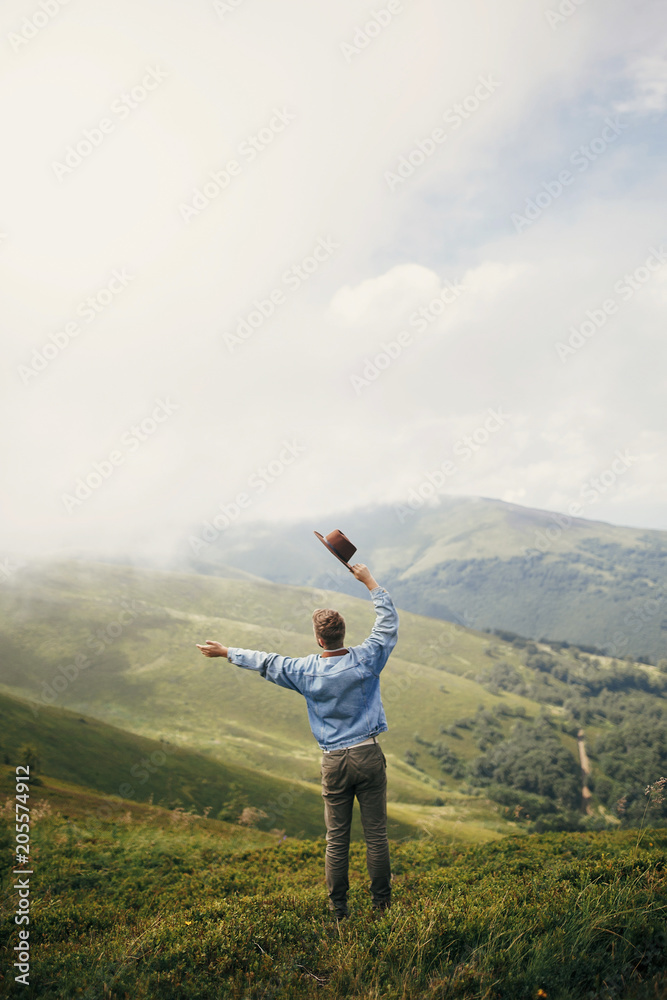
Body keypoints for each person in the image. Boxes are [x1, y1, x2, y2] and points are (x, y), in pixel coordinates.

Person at [196, 563, 399, 920]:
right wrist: (368, 581)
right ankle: (382, 907)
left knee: (336, 840)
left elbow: (267, 661)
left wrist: (227, 652)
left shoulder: (304, 671)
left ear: (319, 639)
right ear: (342, 634)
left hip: (334, 761)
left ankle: (339, 913)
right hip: (368, 754)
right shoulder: (367, 659)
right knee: (376, 836)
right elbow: (387, 624)